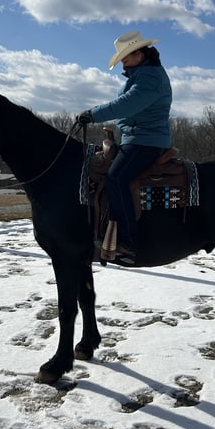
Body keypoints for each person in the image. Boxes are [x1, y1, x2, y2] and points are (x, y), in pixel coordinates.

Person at [78, 31, 173, 263]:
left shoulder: (149, 78)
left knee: (116, 178)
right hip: (135, 138)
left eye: (125, 57)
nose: (122, 61)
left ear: (139, 53)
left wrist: (93, 114)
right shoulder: (141, 75)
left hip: (147, 140)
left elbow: (127, 105)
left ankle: (128, 243)